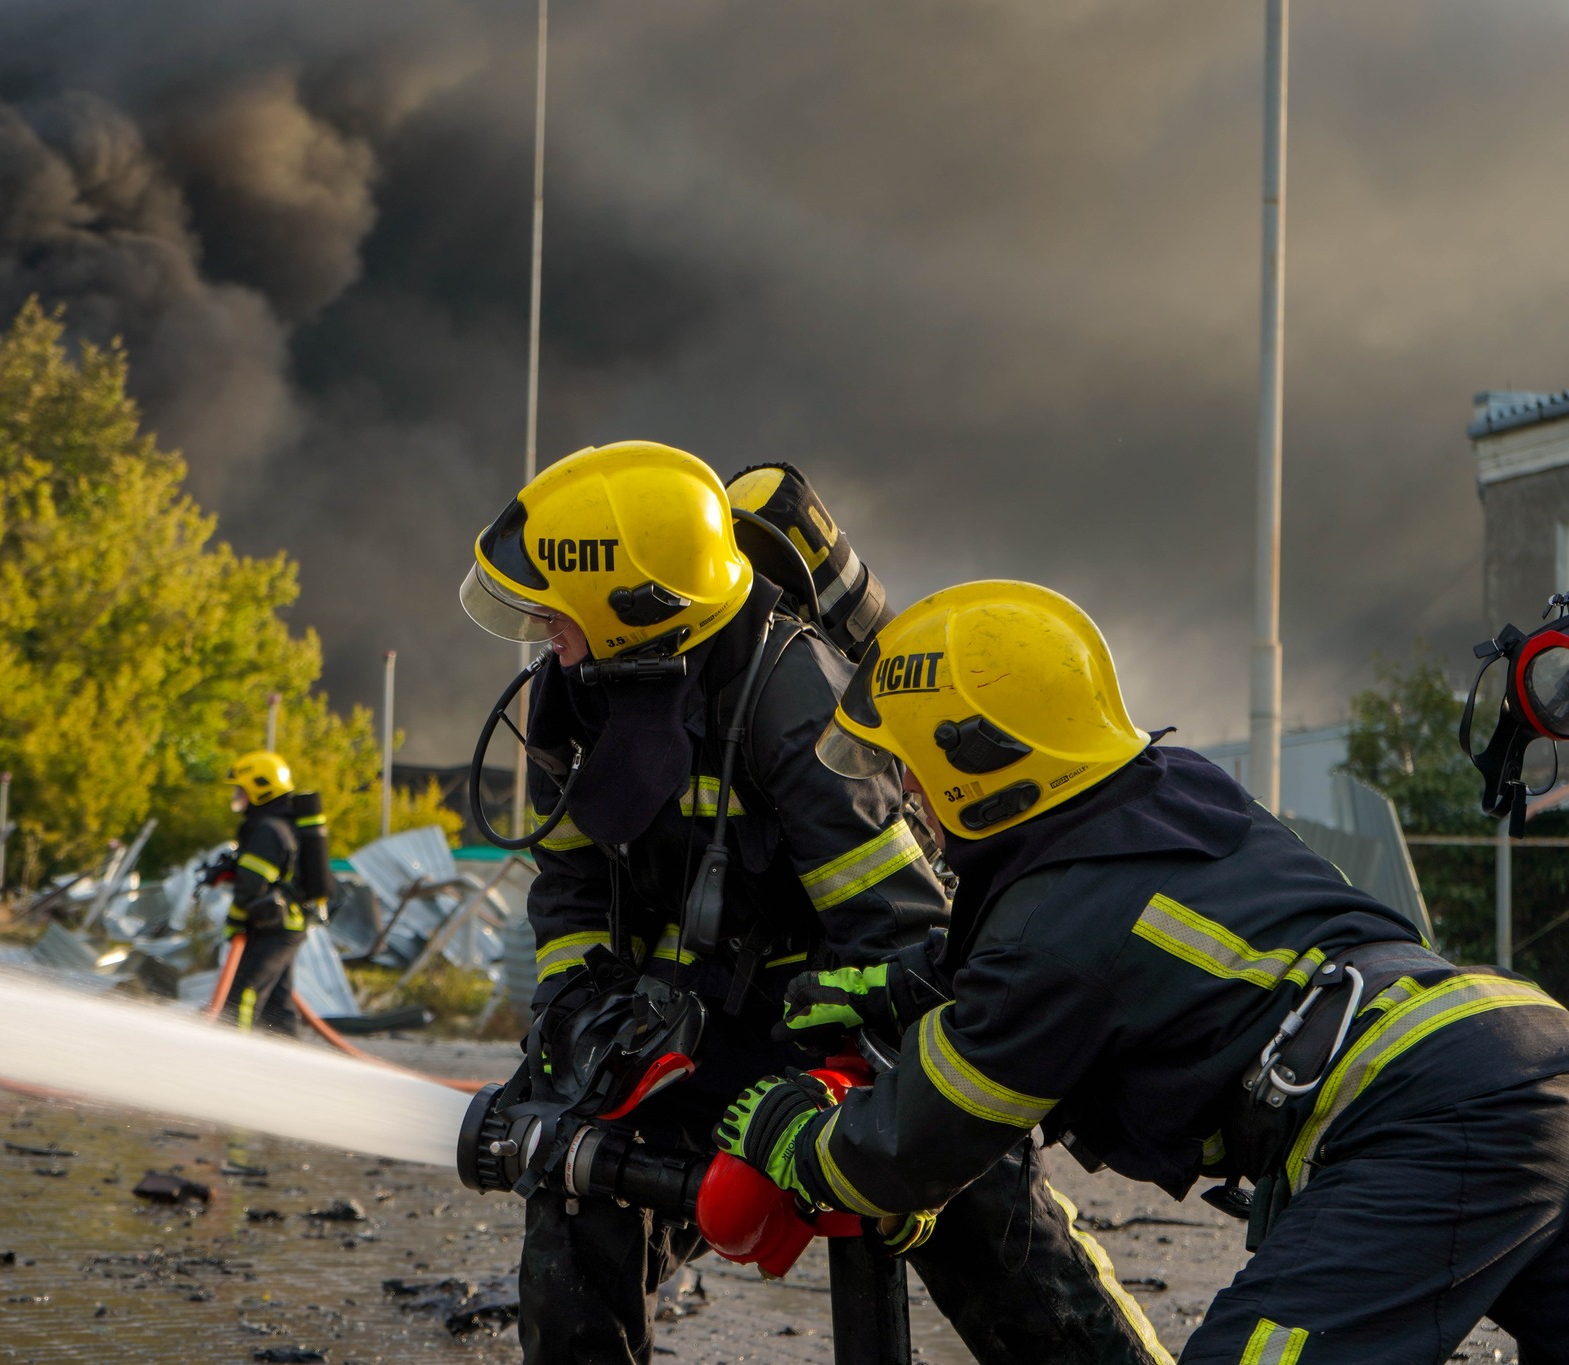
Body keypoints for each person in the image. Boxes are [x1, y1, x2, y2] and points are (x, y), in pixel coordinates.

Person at [717, 579, 1569, 1364]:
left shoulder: (1047, 935)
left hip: (1426, 1114)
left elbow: (912, 1147)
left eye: (911, 762)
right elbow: (1121, 943)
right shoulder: (1172, 789)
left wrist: (794, 1137)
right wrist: (908, 981)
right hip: (1524, 1046)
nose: (905, 788)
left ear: (971, 764)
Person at [460, 442, 1170, 1365]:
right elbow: (568, 881)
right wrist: (580, 1003)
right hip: (693, 1025)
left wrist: (845, 1103)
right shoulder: (582, 694)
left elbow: (904, 927)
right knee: (575, 1193)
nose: (544, 631)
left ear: (637, 608)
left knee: (979, 1222)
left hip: (852, 1016)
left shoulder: (789, 695)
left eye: (559, 612)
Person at [221, 750, 307, 1036]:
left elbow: (251, 886)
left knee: (244, 994)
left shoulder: (267, 830)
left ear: (260, 788)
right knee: (277, 1005)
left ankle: (233, 1051)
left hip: (275, 928)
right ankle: (288, 1063)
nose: (237, 796)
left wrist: (233, 923)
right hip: (282, 926)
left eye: (241, 790)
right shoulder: (277, 825)